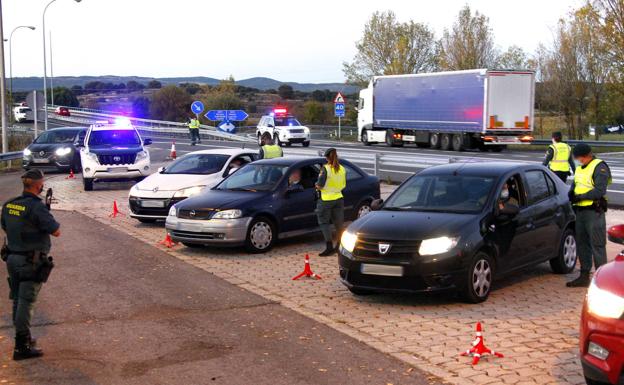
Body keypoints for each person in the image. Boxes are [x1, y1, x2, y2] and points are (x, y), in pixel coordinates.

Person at [1, 169, 60, 360]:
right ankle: (21, 346)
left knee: (18, 300)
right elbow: (56, 231)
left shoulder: (10, 205)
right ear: (38, 185)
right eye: (41, 183)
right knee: (26, 303)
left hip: (12, 258)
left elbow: (5, 226)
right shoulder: (36, 207)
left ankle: (24, 338)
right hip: (30, 261)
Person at [567, 143, 612, 288]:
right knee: (582, 244)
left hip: (594, 212)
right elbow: (577, 183)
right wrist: (571, 193)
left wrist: (581, 196)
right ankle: (584, 276)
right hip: (580, 212)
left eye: (579, 157)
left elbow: (599, 190)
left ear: (586, 155)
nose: (577, 160)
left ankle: (602, 280)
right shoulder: (580, 168)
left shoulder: (600, 167)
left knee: (597, 245)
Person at [315, 148, 346, 256]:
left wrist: (316, 185)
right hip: (339, 198)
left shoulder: (325, 169)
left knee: (324, 223)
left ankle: (329, 247)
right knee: (339, 224)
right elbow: (343, 185)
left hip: (326, 200)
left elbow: (320, 185)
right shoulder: (342, 169)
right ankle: (339, 246)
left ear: (327, 157)